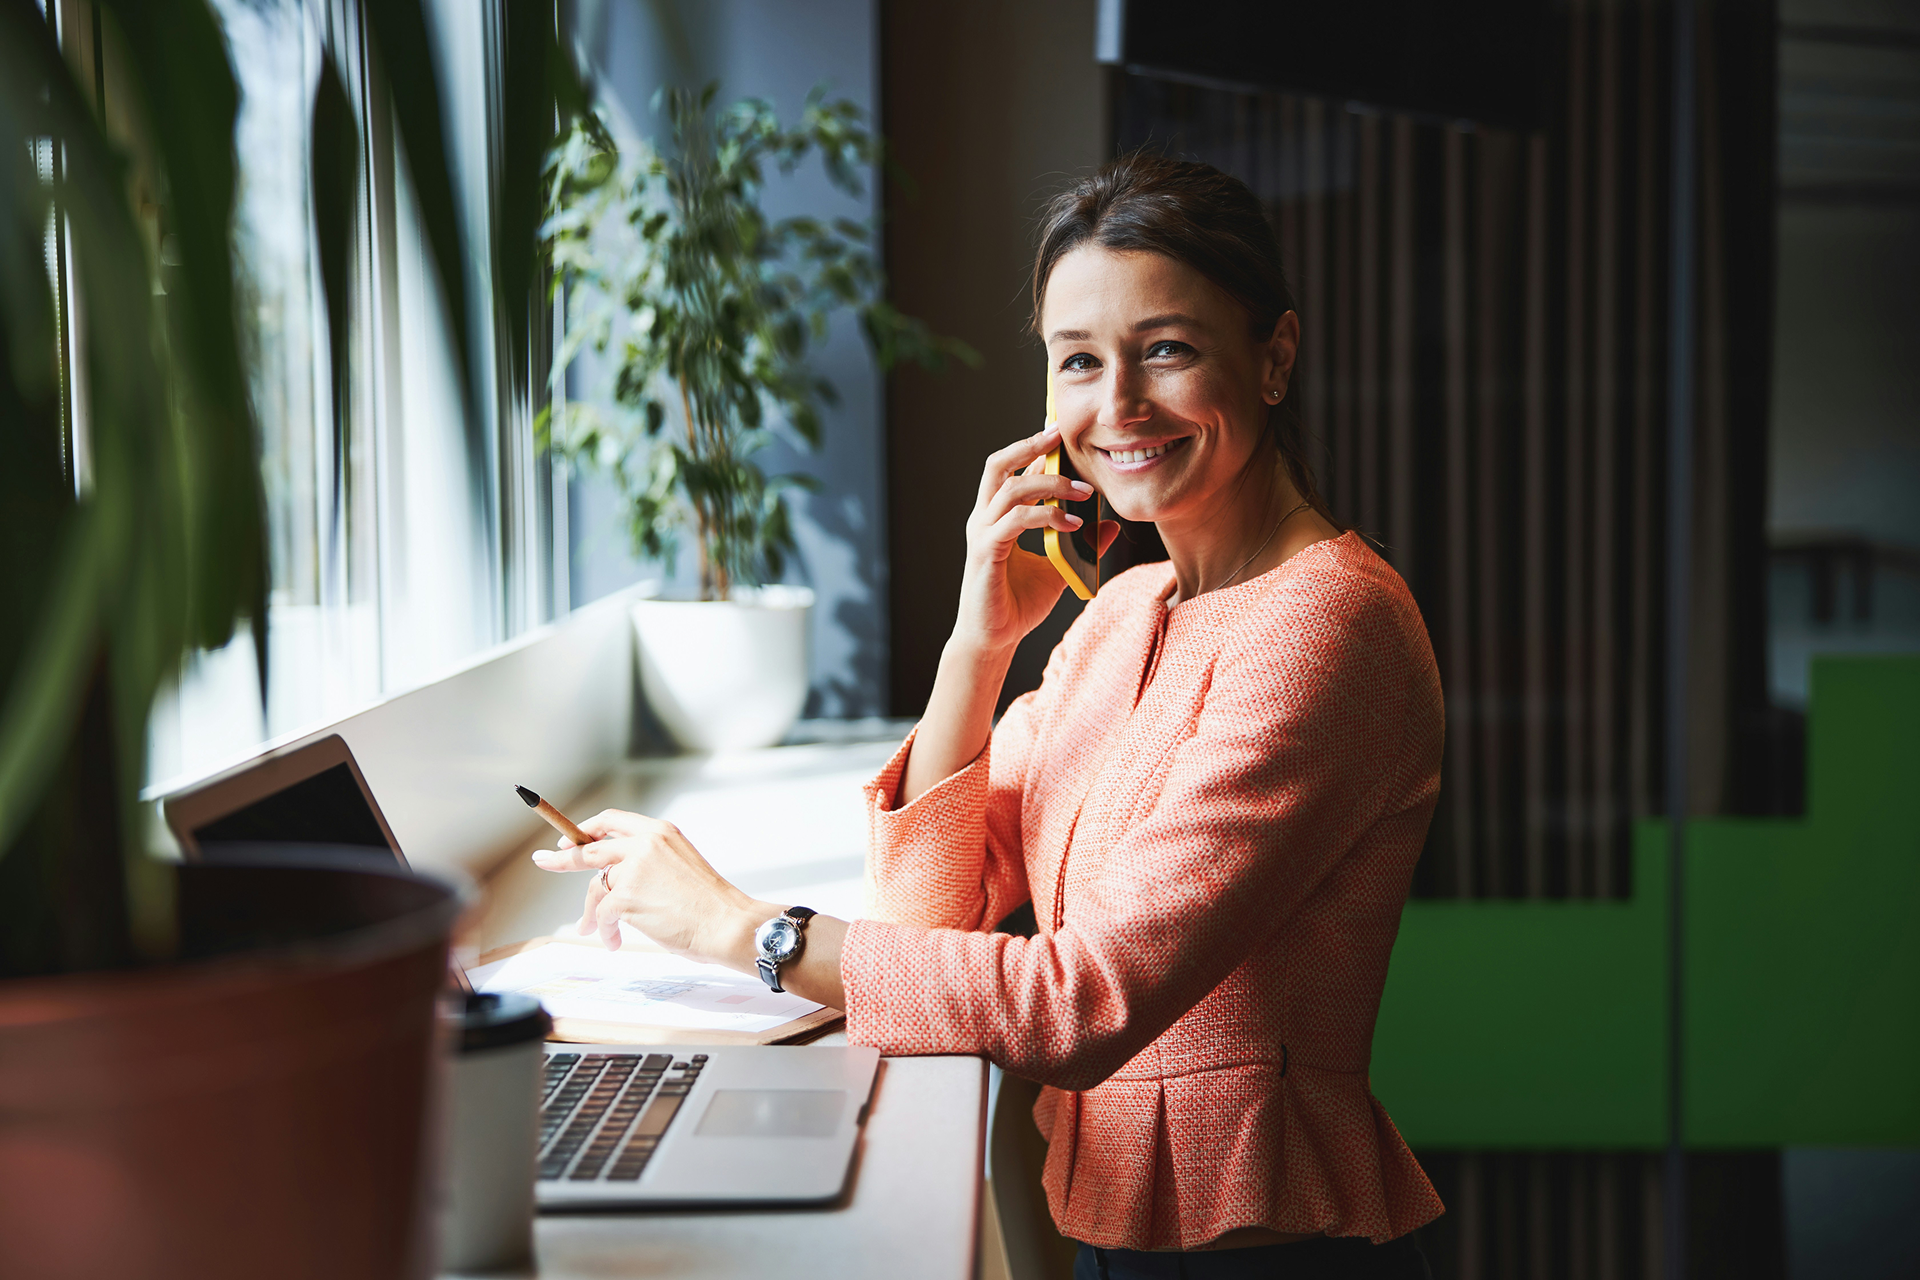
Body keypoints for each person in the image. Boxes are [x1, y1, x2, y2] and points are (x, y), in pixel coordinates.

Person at [534, 153, 1445, 1278]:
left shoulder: (1328, 627)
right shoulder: (1124, 609)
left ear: (1274, 356)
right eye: (1078, 360)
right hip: (1115, 1224)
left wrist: (745, 929)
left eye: (1166, 348)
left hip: (1265, 1247)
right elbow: (934, 912)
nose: (1116, 406)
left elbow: (1082, 1001)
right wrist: (981, 645)